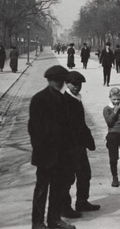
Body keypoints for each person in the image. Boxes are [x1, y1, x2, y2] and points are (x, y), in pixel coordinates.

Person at [28, 65, 76, 229]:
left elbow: (68, 127)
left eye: (61, 81)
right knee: (41, 190)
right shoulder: (39, 99)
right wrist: (41, 150)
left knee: (58, 188)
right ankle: (38, 222)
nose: (58, 83)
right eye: (55, 80)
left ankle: (54, 220)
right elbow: (33, 129)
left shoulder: (63, 100)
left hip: (61, 154)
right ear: (49, 80)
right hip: (45, 154)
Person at [61, 71, 101, 217]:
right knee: (68, 177)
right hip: (68, 147)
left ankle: (82, 202)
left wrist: (88, 140)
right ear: (67, 83)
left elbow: (81, 123)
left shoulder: (77, 98)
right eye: (74, 84)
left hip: (79, 146)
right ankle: (64, 207)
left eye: (79, 85)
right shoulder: (65, 100)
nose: (77, 87)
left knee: (85, 174)